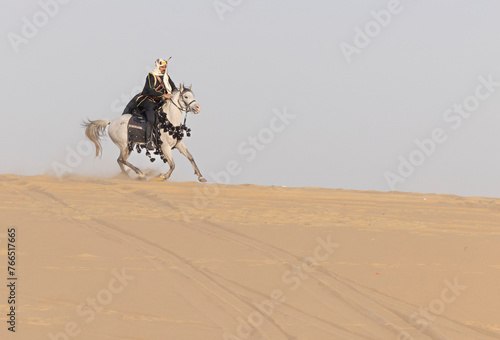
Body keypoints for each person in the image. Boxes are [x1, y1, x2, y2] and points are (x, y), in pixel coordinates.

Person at [123, 58, 177, 150]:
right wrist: (164, 94)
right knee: (152, 119)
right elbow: (150, 90)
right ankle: (148, 141)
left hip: (160, 102)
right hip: (148, 101)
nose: (164, 68)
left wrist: (179, 95)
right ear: (158, 67)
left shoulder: (166, 77)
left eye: (165, 67)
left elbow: (174, 88)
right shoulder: (151, 76)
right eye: (162, 67)